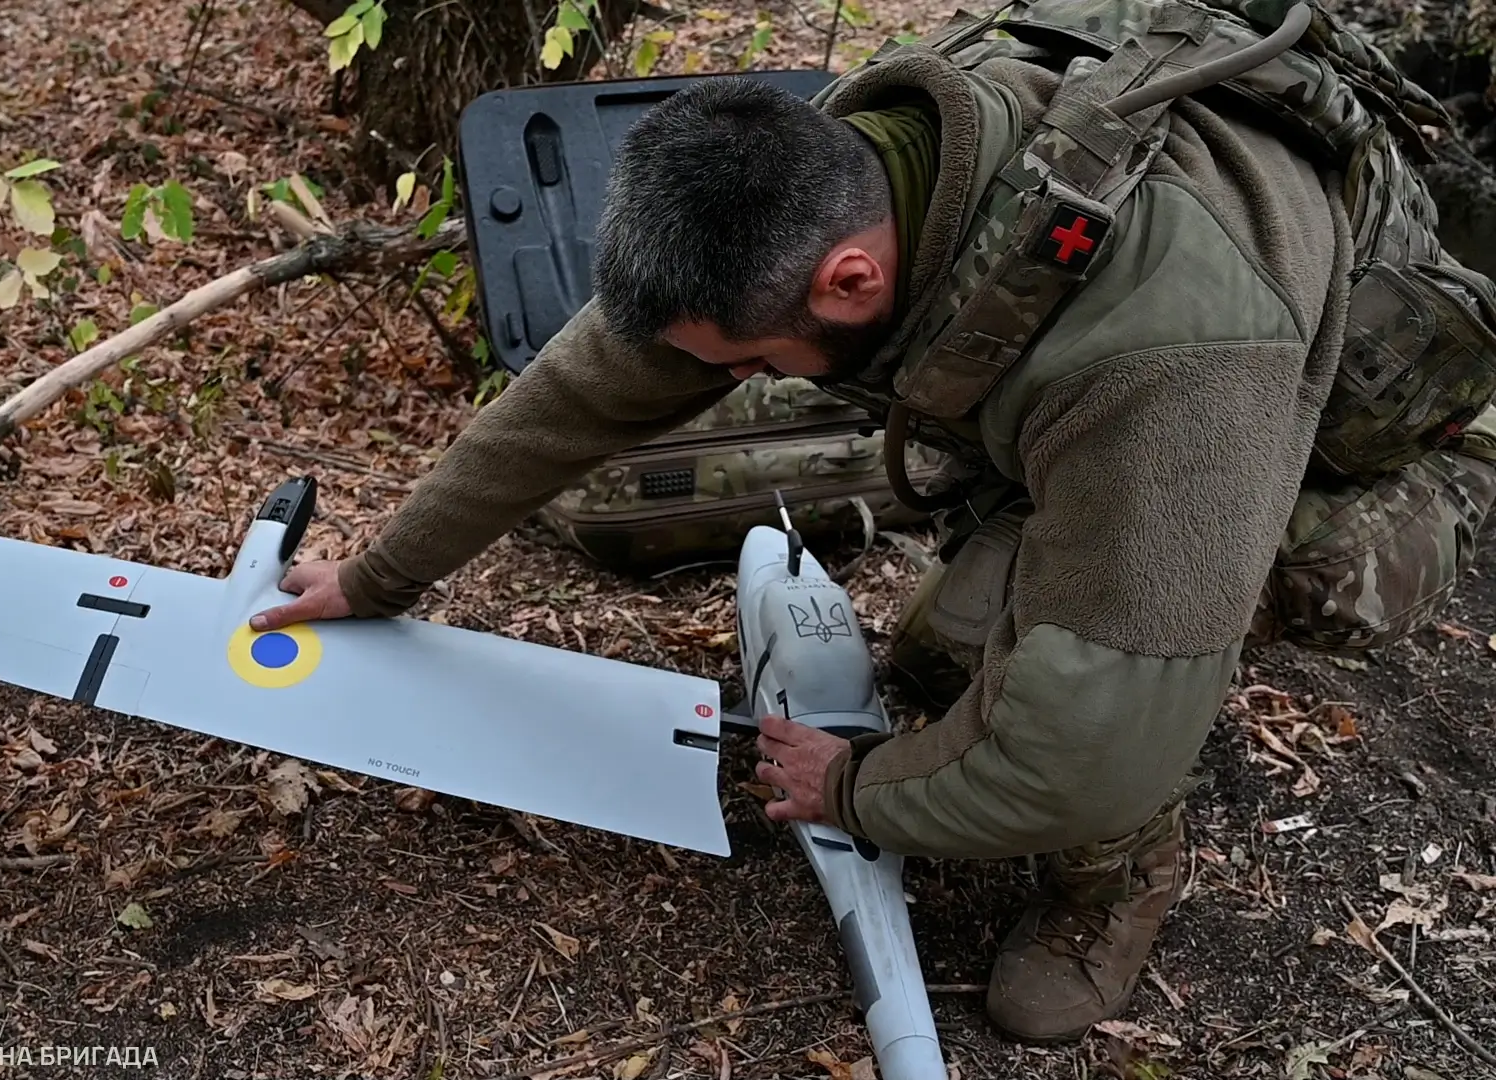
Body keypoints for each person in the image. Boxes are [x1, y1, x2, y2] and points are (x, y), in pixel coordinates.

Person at [249, 1, 1496, 1044]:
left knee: (1132, 668)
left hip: (1360, 451)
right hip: (1123, 394)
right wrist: (381, 575)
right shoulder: (866, 158)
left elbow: (1091, 742)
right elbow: (581, 395)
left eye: (745, 362)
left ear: (852, 279)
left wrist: (858, 787)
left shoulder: (1171, 369)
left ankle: (1116, 881)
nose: (724, 379)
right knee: (947, 658)